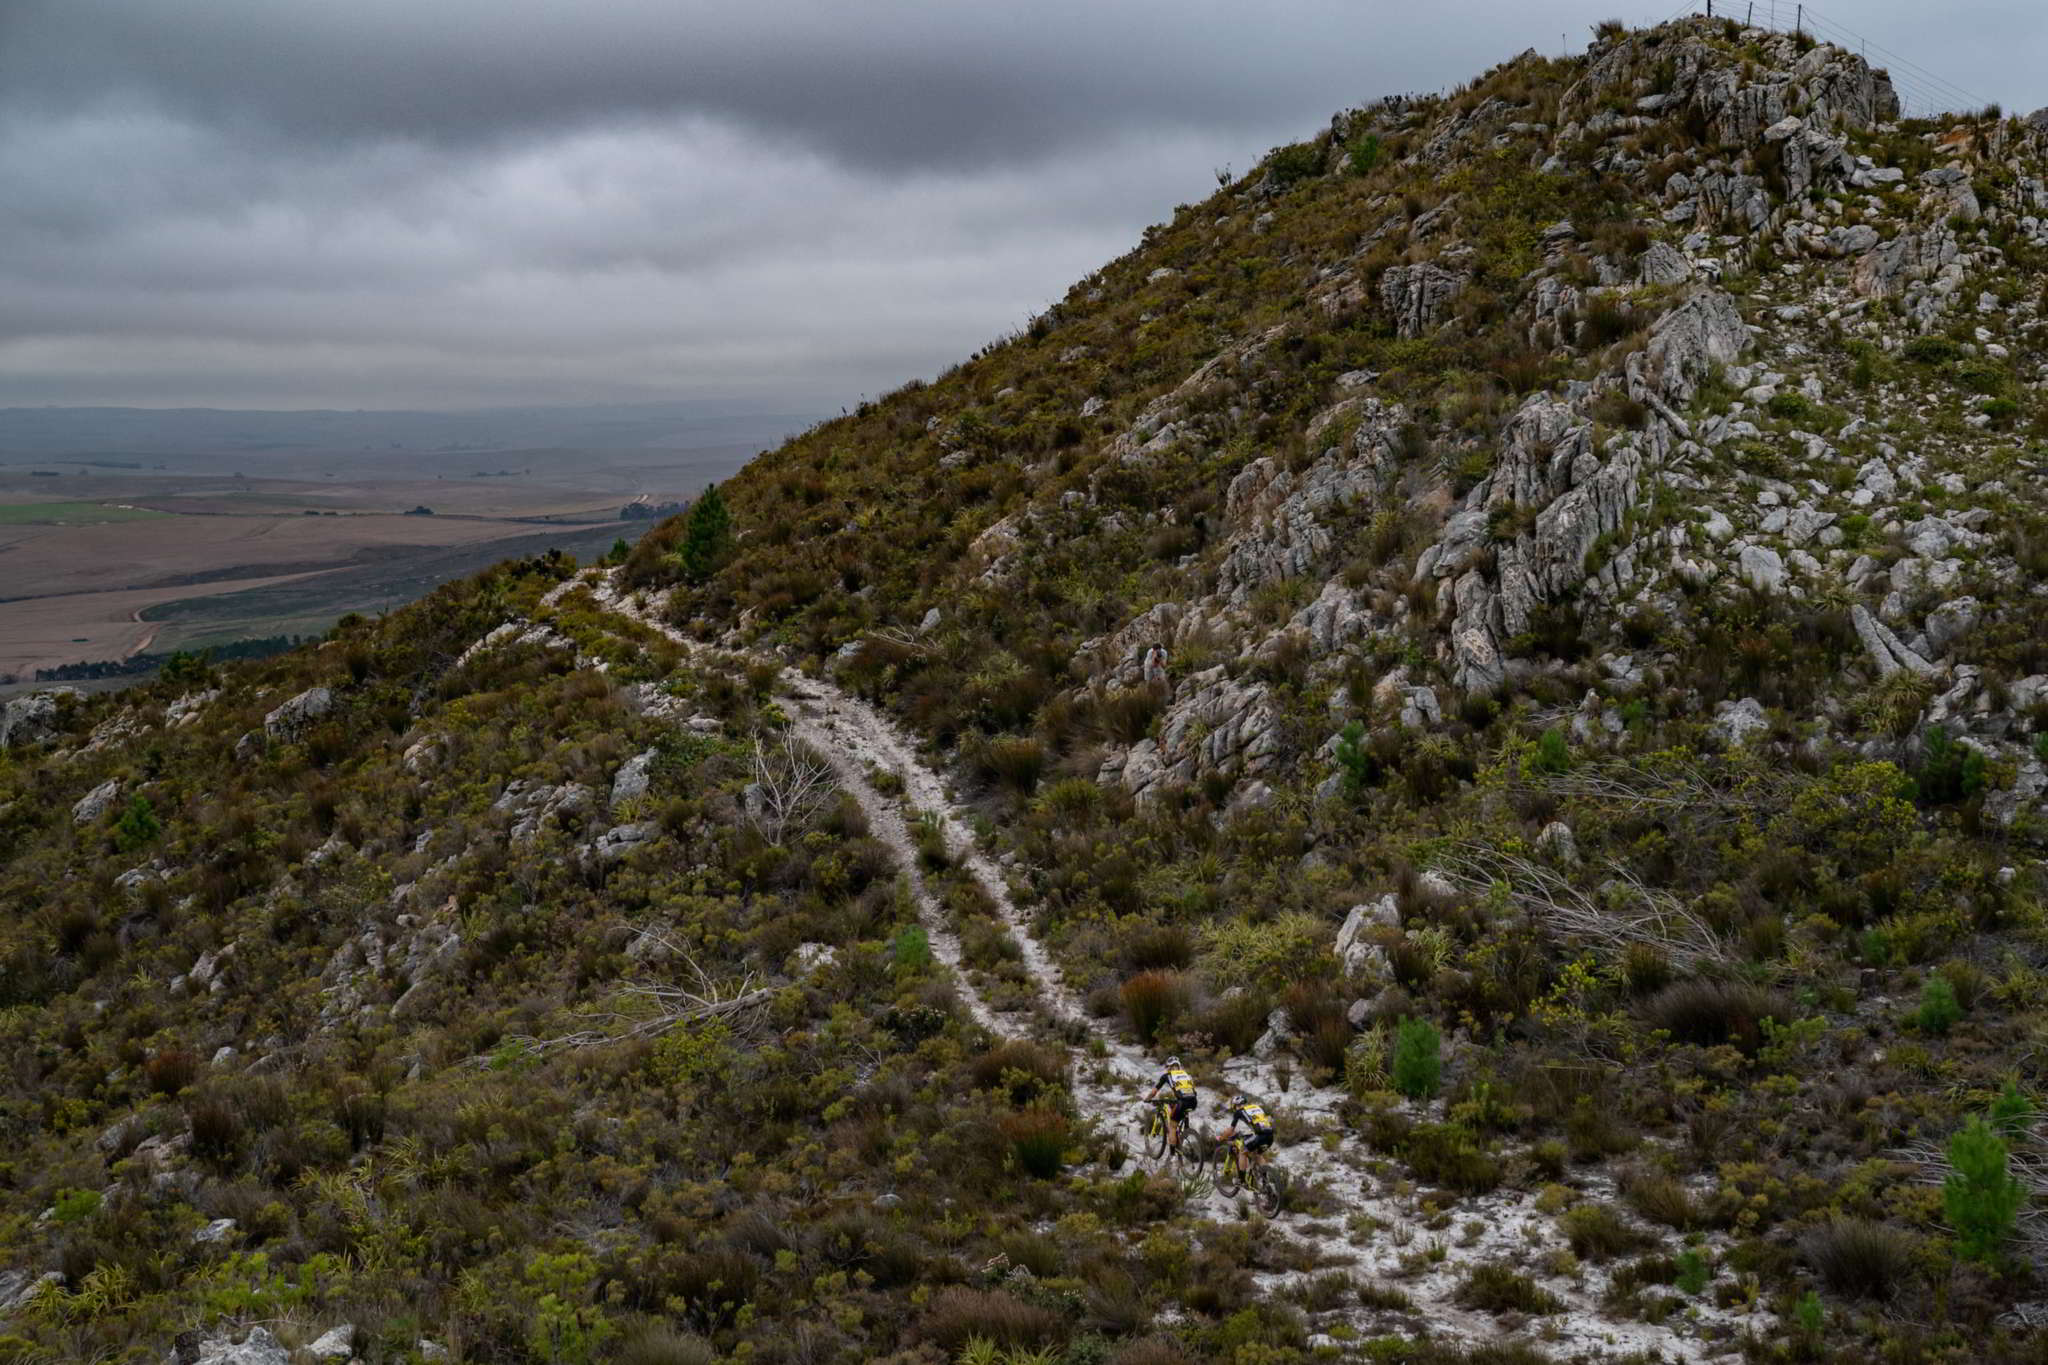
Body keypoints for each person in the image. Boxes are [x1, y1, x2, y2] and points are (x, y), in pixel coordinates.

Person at [1143, 1055, 1199, 1148]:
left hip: (1182, 1103)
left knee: (1171, 1127)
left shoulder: (1167, 1076)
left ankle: (1173, 1155)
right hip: (1194, 1102)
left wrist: (1148, 1098)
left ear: (1169, 1067)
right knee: (1178, 1113)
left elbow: (1154, 1092)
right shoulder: (1186, 1074)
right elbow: (1188, 1090)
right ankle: (1185, 1132)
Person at [1219, 1093, 1276, 1179]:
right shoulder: (1256, 1107)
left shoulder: (1239, 1111)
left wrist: (1221, 1138)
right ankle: (1265, 1182)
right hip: (1270, 1135)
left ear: (1235, 1106)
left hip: (1260, 1135)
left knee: (1242, 1151)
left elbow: (1231, 1130)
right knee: (1258, 1155)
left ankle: (1241, 1180)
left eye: (1234, 1107)